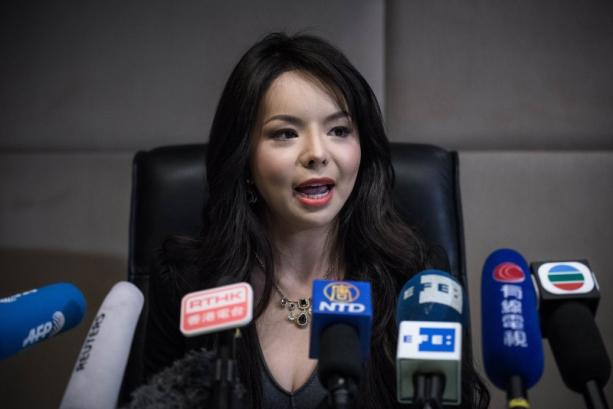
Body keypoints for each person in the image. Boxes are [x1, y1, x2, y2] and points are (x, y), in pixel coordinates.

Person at [143, 32, 490, 409]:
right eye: (285, 133)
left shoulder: (415, 278)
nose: (317, 154)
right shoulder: (187, 282)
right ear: (244, 157)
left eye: (339, 130)